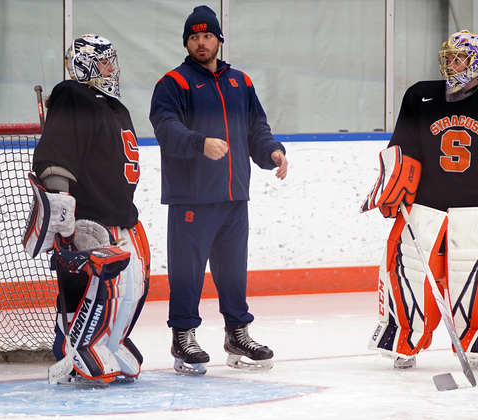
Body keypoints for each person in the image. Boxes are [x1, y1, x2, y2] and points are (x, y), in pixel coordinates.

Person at [363, 30, 478, 370]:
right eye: (448, 57)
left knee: (472, 281)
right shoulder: (421, 96)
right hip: (424, 206)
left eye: (459, 58)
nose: (451, 64)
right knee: (407, 274)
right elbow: (401, 150)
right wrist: (392, 186)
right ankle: (404, 340)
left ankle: (476, 343)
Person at [149, 5, 288, 375]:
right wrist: (199, 143)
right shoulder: (173, 83)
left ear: (219, 40)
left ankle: (237, 333)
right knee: (187, 270)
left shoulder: (240, 82)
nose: (200, 42)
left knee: (232, 270)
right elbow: (165, 127)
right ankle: (183, 336)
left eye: (206, 35)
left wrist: (272, 151)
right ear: (187, 43)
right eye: (193, 37)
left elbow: (256, 127)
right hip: (192, 197)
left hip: (233, 195)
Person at [25, 34, 151, 384]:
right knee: (96, 288)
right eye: (105, 62)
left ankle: (112, 341)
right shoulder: (73, 94)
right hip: (91, 218)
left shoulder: (114, 106)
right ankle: (74, 349)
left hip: (120, 216)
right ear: (86, 65)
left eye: (113, 60)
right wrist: (60, 203)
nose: (113, 68)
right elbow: (58, 151)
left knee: (132, 286)